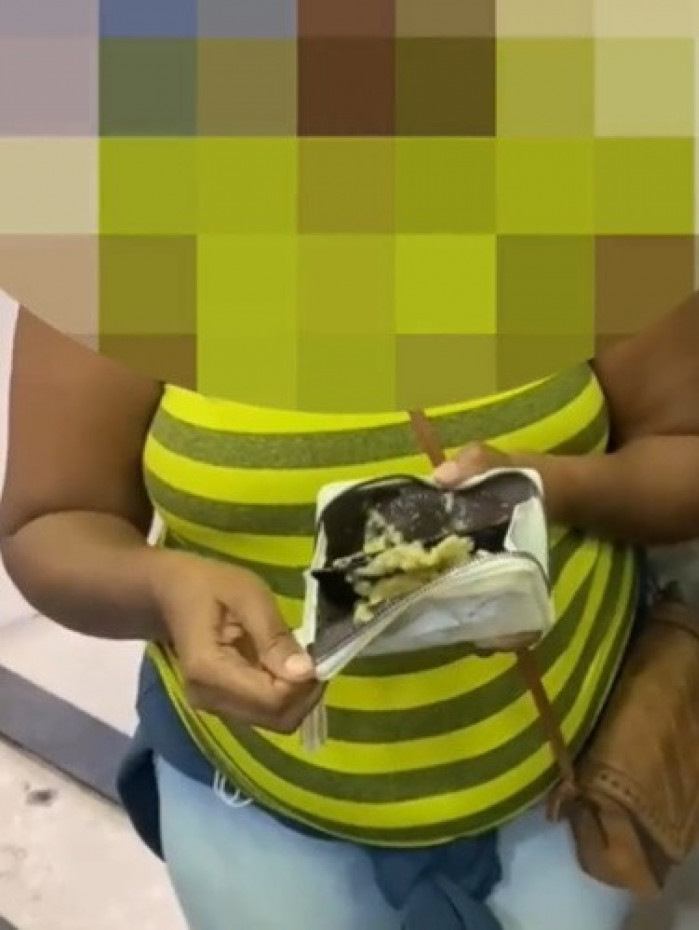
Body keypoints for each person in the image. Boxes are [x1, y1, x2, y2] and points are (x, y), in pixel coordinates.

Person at [2, 283, 699, 930]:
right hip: (256, 806)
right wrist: (164, 588)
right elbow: (51, 520)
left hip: (562, 788)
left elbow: (681, 446)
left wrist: (555, 489)